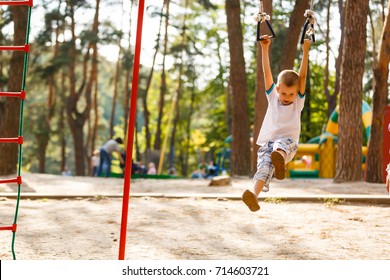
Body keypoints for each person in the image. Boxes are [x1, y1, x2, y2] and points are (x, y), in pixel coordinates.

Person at [242, 35, 311, 212]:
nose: (288, 98)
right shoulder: (273, 97)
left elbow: (302, 76)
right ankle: (254, 195)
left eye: (291, 94)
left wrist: (305, 50)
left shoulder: (297, 103)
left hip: (288, 144)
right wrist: (264, 49)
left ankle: (279, 158)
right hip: (268, 145)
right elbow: (267, 74)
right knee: (263, 167)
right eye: (284, 94)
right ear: (278, 89)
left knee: (279, 145)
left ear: (297, 93)